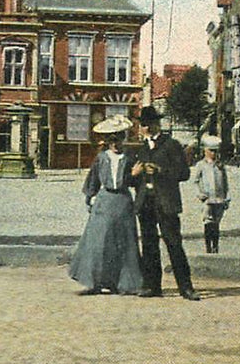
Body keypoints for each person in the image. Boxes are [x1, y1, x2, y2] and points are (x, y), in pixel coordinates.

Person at [68, 115, 143, 296]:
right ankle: (94, 282)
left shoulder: (130, 158)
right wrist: (90, 198)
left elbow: (135, 183)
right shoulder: (101, 158)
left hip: (123, 202)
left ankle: (121, 283)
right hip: (104, 202)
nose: (116, 143)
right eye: (113, 139)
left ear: (124, 139)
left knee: (123, 243)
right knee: (99, 242)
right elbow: (93, 180)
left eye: (119, 138)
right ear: (108, 141)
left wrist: (134, 175)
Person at [131, 105, 199, 301]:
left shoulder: (171, 145)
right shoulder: (141, 148)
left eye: (149, 124)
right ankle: (152, 286)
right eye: (143, 125)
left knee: (174, 243)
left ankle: (186, 287)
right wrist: (134, 175)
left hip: (166, 202)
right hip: (146, 202)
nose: (146, 128)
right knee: (149, 245)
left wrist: (160, 171)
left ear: (157, 123)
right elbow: (133, 178)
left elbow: (184, 173)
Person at [192, 134, 229, 254]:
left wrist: (226, 197)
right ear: (205, 151)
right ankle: (208, 246)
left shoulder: (220, 165)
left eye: (216, 151)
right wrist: (199, 193)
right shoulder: (201, 165)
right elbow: (195, 181)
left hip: (219, 198)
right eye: (211, 151)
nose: (213, 154)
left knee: (217, 223)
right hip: (207, 198)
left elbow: (225, 182)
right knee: (208, 222)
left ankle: (215, 246)